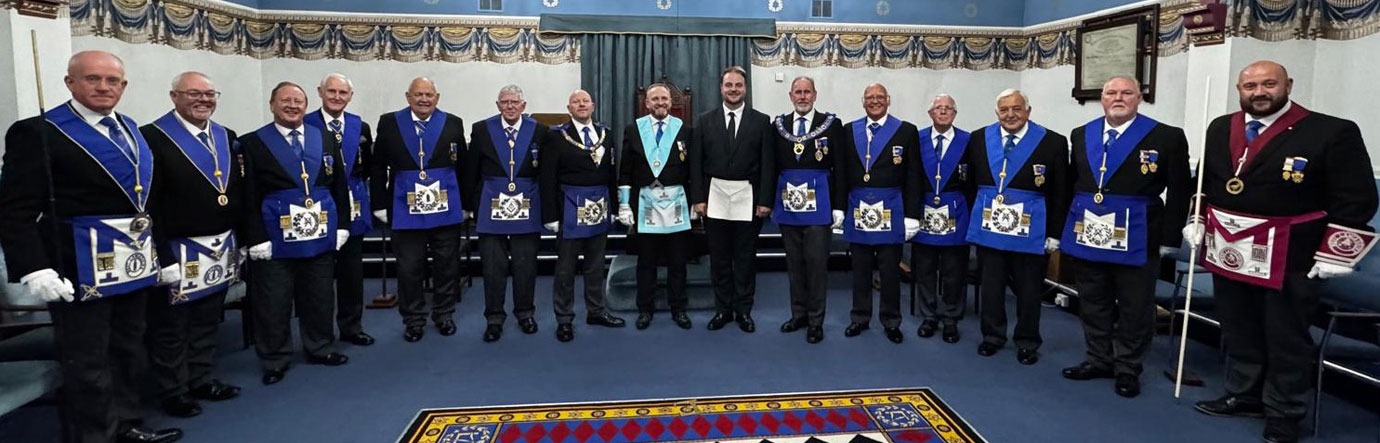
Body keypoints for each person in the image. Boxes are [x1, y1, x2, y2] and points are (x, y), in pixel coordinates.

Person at [1185, 61, 1377, 443]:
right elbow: (1208, 181)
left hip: (1292, 253)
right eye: (1250, 85)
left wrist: (1336, 252)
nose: (1259, 92)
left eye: (1269, 84)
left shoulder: (1331, 131)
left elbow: (1357, 197)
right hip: (1230, 248)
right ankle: (1244, 393)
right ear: (1239, 89)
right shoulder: (1221, 126)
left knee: (1285, 335)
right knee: (1239, 327)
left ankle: (1284, 411)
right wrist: (1198, 217)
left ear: (1287, 84)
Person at [0, 50, 184, 443]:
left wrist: (163, 257)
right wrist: (35, 267)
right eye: (92, 79)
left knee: (127, 348)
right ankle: (93, 436)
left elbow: (148, 203)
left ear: (123, 86)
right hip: (77, 265)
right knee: (88, 360)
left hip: (132, 264)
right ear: (70, 83)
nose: (104, 87)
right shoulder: (40, 131)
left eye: (112, 80)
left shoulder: (132, 129)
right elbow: (13, 209)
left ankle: (128, 424)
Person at [1057, 75, 1192, 397]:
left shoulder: (1166, 136)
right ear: (1101, 98)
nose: (1118, 98)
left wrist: (1171, 237)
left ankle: (1128, 367)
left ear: (1139, 98)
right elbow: (1072, 184)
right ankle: (1098, 358)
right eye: (1111, 93)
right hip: (1089, 229)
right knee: (1093, 300)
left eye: (1126, 92)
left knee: (1135, 305)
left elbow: (1179, 191)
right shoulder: (1081, 134)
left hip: (1139, 232)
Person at [141, 71, 245, 419]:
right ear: (174, 97)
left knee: (206, 319)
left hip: (218, 244)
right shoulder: (152, 137)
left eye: (209, 94)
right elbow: (149, 201)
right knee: (172, 325)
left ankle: (200, 377)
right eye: (193, 94)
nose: (203, 100)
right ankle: (172, 390)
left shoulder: (225, 136)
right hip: (177, 246)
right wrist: (160, 253)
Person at [240, 81, 351, 385]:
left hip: (319, 232)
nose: (292, 106)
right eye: (285, 101)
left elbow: (339, 184)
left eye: (298, 101)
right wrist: (254, 237)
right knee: (273, 299)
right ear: (272, 104)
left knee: (319, 294)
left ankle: (321, 347)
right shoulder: (252, 143)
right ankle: (275, 357)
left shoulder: (324, 138)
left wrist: (342, 224)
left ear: (306, 105)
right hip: (275, 237)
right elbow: (246, 194)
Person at [964, 89, 1070, 366]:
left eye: (1016, 109)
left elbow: (1061, 192)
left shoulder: (1052, 142)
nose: (1010, 115)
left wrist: (1055, 233)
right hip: (990, 227)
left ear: (1028, 110)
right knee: (991, 287)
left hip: (1031, 231)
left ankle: (1027, 341)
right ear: (996, 112)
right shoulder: (978, 139)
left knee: (1029, 290)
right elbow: (969, 184)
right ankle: (992, 336)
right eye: (1004, 110)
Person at [371, 77, 467, 342]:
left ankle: (444, 314)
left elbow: (463, 167)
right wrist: (379, 204)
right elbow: (378, 166)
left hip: (445, 208)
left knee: (447, 265)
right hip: (404, 207)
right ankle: (413, 319)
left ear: (437, 97)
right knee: (409, 267)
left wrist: (466, 204)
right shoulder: (390, 123)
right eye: (418, 95)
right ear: (407, 96)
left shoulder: (453, 122)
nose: (424, 99)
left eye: (429, 95)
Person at [834, 83, 921, 344]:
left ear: (888, 100)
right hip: (858, 207)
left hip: (892, 208)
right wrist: (839, 207)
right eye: (870, 98)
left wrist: (912, 215)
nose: (875, 101)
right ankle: (859, 317)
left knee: (889, 270)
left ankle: (891, 321)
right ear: (863, 102)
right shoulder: (849, 130)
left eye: (879, 97)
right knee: (859, 268)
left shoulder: (906, 131)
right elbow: (841, 172)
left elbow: (913, 175)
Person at [463, 85, 551, 342]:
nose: (510, 106)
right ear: (498, 105)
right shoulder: (482, 129)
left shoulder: (539, 130)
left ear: (523, 106)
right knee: (493, 267)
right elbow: (471, 171)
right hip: (490, 206)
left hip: (527, 204)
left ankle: (525, 313)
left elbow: (545, 173)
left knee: (525, 265)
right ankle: (494, 318)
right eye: (505, 102)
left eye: (515, 102)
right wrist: (469, 206)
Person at [690, 66, 774, 333]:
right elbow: (696, 163)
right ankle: (723, 309)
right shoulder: (704, 120)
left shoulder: (761, 121)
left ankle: (743, 310)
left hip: (748, 199)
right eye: (729, 85)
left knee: (745, 258)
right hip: (714, 198)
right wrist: (698, 199)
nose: (734, 90)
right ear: (721, 88)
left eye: (738, 85)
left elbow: (768, 164)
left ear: (745, 89)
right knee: (719, 258)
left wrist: (765, 200)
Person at [539, 90, 626, 342]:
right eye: (576, 102)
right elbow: (547, 177)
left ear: (593, 106)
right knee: (565, 268)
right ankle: (564, 318)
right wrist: (550, 215)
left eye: (585, 101)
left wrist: (613, 207)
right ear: (569, 108)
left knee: (596, 265)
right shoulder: (556, 136)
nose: (581, 105)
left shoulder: (606, 134)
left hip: (599, 207)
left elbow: (611, 172)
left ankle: (596, 310)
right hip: (569, 207)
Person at [305, 73, 376, 346]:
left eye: (342, 93)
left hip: (353, 207)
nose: (337, 97)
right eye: (331, 92)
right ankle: (319, 335)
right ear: (320, 92)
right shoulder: (306, 123)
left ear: (350, 96)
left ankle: (351, 327)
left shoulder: (361, 127)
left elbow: (366, 166)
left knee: (351, 274)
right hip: (318, 208)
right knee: (318, 277)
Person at [770, 76, 843, 344]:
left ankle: (816, 320)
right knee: (794, 263)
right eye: (798, 92)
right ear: (790, 96)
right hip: (789, 205)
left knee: (815, 263)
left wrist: (839, 206)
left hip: (820, 204)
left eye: (807, 92)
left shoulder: (832, 125)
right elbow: (771, 166)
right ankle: (798, 314)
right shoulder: (778, 126)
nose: (802, 97)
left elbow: (841, 167)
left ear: (815, 95)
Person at [619, 83, 695, 330]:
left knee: (677, 261)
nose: (660, 102)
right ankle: (645, 308)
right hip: (646, 204)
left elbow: (693, 170)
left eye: (664, 98)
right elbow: (625, 171)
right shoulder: (633, 130)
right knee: (646, 261)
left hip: (677, 204)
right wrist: (624, 205)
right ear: (647, 103)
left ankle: (679, 308)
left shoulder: (685, 130)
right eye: (655, 99)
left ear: (670, 102)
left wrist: (696, 202)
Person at [910, 94, 973, 344]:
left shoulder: (969, 141)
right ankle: (929, 316)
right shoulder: (917, 139)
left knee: (954, 269)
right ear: (930, 113)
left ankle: (950, 318)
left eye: (948, 108)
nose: (943, 112)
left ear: (955, 114)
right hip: (924, 208)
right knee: (924, 267)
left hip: (955, 210)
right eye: (939, 108)